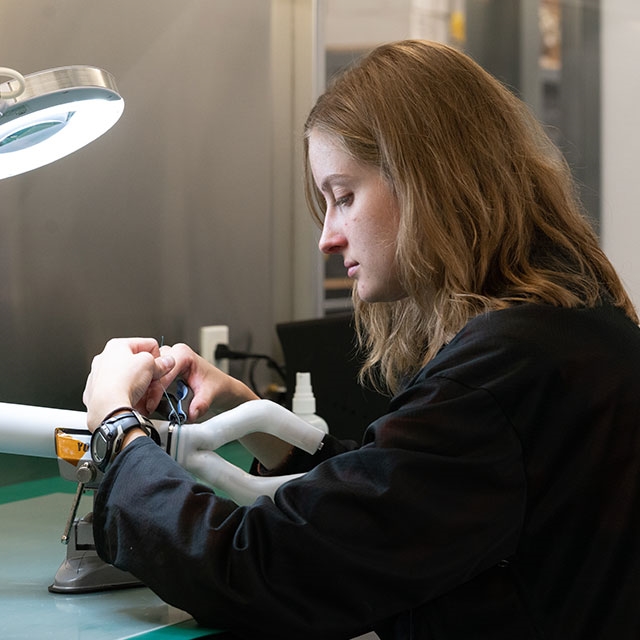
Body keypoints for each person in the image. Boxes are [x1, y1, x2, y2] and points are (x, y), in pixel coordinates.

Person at [83, 40, 640, 639]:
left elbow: (261, 572)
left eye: (344, 196)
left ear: (431, 180)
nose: (327, 238)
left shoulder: (498, 376)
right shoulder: (571, 328)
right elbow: (402, 500)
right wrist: (254, 417)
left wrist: (115, 431)